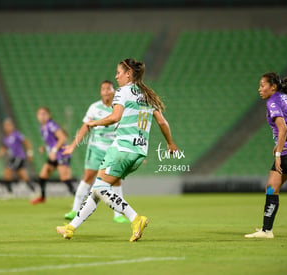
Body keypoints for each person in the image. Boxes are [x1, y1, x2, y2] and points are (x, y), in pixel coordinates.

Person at [57, 58, 179, 242]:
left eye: (119, 72)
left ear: (128, 73)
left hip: (122, 148)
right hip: (139, 152)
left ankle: (135, 218)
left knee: (99, 188)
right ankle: (71, 227)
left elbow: (115, 117)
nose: (116, 76)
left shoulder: (123, 91)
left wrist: (94, 123)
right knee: (98, 188)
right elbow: (162, 121)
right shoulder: (147, 94)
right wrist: (170, 143)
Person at [62, 80, 130, 224]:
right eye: (103, 89)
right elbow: (85, 127)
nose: (105, 91)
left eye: (108, 88)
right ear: (100, 92)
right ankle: (75, 209)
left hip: (113, 150)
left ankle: (118, 214)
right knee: (88, 176)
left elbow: (126, 129)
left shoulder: (119, 108)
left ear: (113, 91)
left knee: (116, 180)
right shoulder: (94, 108)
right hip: (96, 148)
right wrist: (73, 146)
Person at [245, 73, 287, 239]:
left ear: (273, 87)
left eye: (262, 85)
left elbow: (284, 129)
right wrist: (279, 146)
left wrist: (279, 154)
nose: (259, 89)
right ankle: (267, 231)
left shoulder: (273, 101)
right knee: (271, 188)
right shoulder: (285, 98)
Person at [31, 107, 76, 204]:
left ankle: (78, 199)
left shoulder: (51, 125)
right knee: (42, 176)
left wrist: (54, 150)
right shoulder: (42, 127)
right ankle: (42, 197)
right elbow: (52, 142)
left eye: (44, 114)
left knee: (64, 178)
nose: (42, 116)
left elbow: (62, 138)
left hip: (61, 154)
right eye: (40, 114)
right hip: (53, 155)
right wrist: (45, 148)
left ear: (49, 115)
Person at [0, 118, 35, 192]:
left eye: (9, 125)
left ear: (12, 126)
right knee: (23, 176)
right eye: (6, 126)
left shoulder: (16, 134)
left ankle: (9, 192)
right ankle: (33, 190)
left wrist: (30, 153)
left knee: (7, 172)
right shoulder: (5, 138)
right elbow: (4, 149)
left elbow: (27, 142)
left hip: (18, 157)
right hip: (13, 157)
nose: (7, 127)